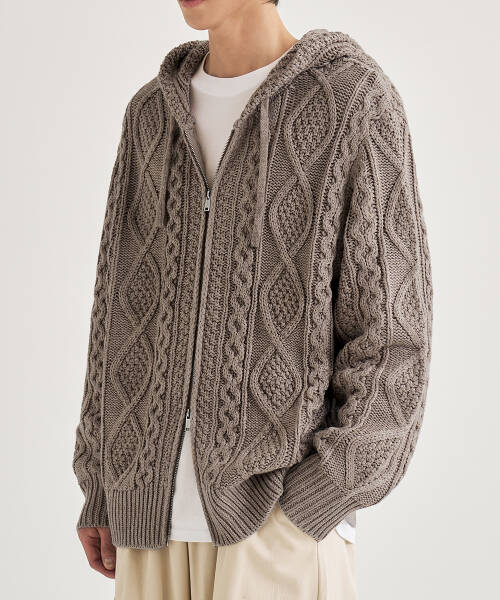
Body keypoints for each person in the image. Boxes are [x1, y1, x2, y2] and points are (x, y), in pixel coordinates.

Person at [72, 0, 433, 598]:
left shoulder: (353, 101)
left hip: (277, 527)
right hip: (148, 524)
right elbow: (117, 313)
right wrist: (103, 483)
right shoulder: (150, 116)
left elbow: (394, 335)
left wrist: (322, 494)